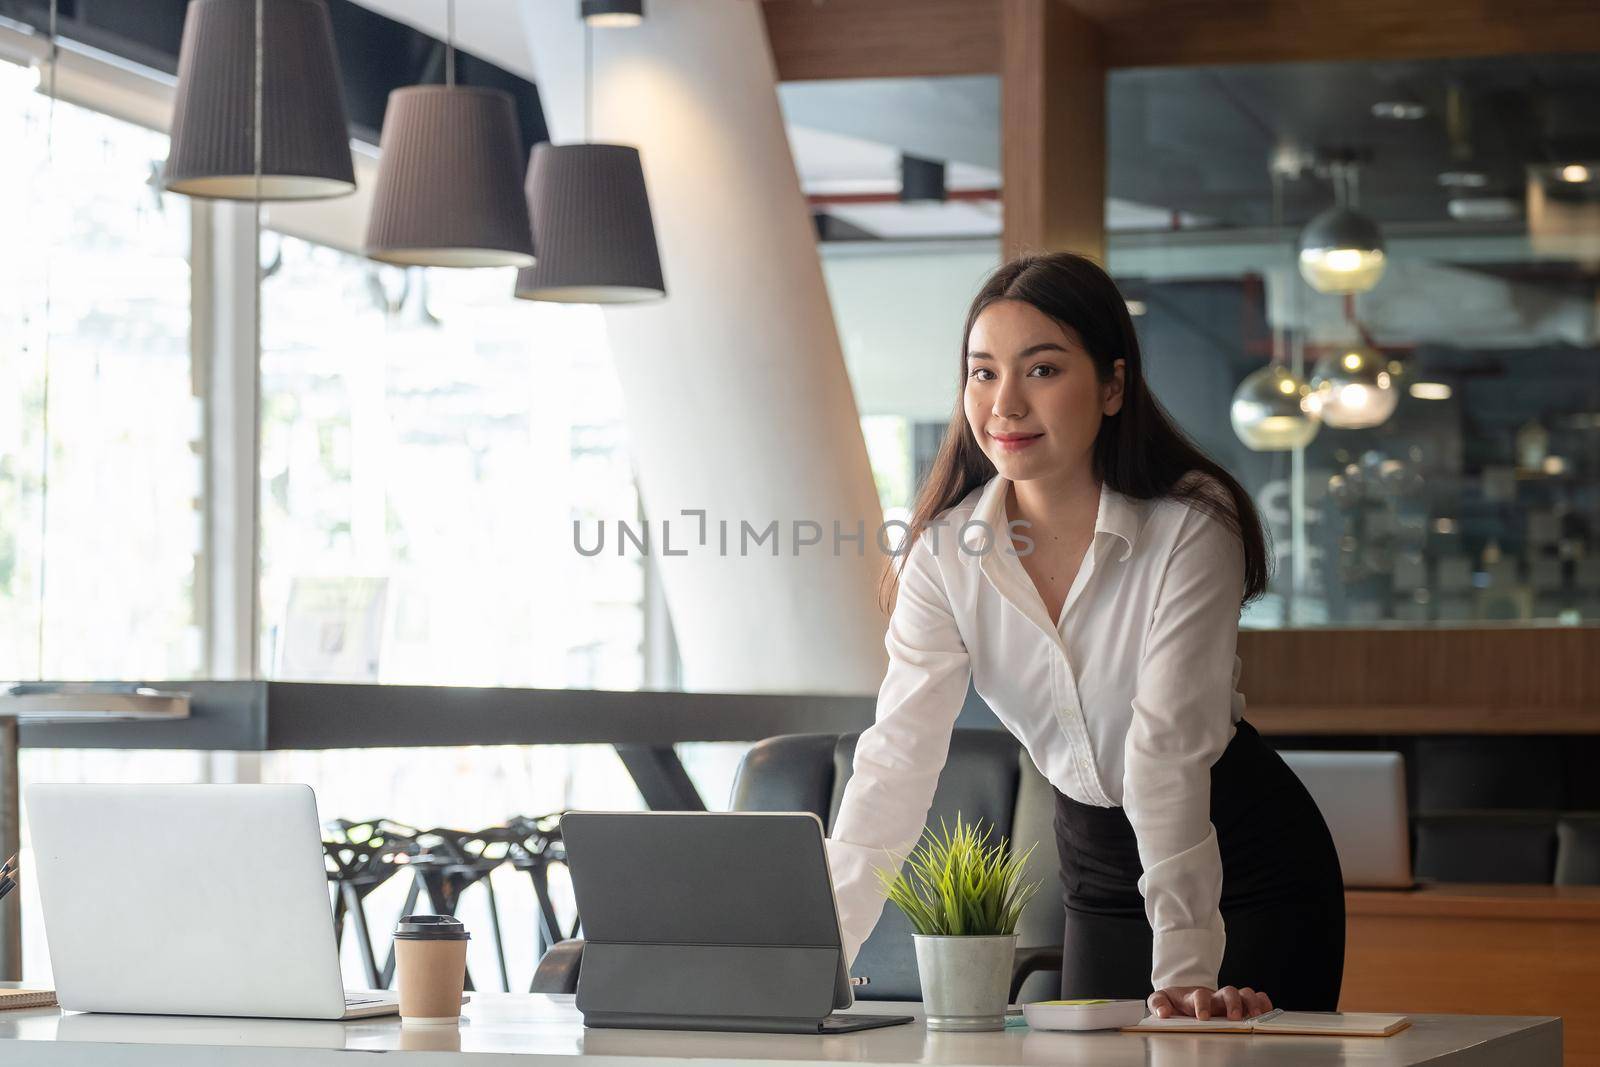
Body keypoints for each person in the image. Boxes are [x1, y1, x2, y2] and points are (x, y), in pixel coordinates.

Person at [824, 252, 1344, 1021]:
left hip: (1245, 861)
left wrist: (1187, 970)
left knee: (1207, 1044)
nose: (1005, 403)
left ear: (1112, 386)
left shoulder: (1191, 526)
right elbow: (897, 759)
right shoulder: (944, 551)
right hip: (1097, 865)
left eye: (1041, 370)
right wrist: (817, 958)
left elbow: (1166, 750)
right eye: (982, 372)